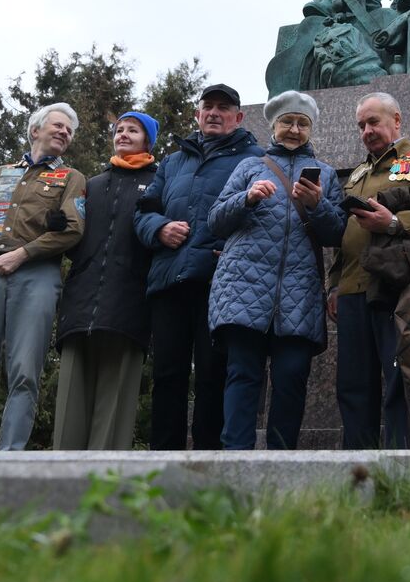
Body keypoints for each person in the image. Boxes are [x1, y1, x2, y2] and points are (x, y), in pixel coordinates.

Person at [206, 92, 346, 450]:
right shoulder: (249, 167)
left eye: (302, 124)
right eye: (287, 122)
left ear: (311, 129)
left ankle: (282, 458)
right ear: (273, 126)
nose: (294, 130)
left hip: (298, 292)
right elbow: (215, 221)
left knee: (291, 377)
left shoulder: (327, 175)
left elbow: (337, 234)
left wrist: (316, 205)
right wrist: (247, 198)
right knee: (243, 375)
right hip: (243, 287)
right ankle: (235, 457)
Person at [0, 102, 86, 450]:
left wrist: (23, 253)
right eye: (57, 126)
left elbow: (73, 231)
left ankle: (11, 457)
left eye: (68, 131)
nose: (63, 133)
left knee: (25, 372)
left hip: (37, 275)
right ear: (35, 130)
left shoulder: (71, 178)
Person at [136, 83, 264, 450]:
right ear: (197, 113)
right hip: (169, 279)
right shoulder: (173, 161)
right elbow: (144, 212)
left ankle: (210, 460)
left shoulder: (254, 159)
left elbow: (261, 215)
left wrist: (231, 249)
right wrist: (160, 229)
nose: (214, 113)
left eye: (223, 108)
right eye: (208, 106)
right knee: (167, 375)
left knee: (213, 374)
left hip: (219, 281)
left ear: (239, 117)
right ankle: (164, 460)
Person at [330, 91, 410, 447]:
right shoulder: (357, 174)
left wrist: (394, 223)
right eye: (361, 125)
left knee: (398, 380)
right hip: (354, 291)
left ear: (397, 120)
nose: (367, 131)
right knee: (353, 387)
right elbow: (348, 232)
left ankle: (399, 470)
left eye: (374, 122)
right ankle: (358, 471)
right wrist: (334, 284)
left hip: (399, 288)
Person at [52, 111, 160, 450]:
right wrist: (56, 226)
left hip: (128, 308)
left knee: (113, 415)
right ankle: (63, 486)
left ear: (148, 140)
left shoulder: (160, 183)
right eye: (119, 130)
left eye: (133, 130)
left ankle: (104, 492)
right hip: (80, 307)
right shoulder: (91, 185)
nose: (123, 135)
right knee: (69, 409)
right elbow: (75, 242)